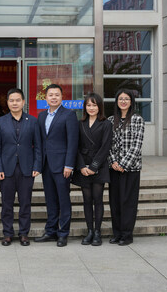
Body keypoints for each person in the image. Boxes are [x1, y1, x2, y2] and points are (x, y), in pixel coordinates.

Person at [0, 88, 42, 246]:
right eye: (11, 100)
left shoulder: (32, 121)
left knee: (25, 203)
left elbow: (38, 146)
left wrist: (37, 165)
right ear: (7, 103)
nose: (15, 103)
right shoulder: (1, 122)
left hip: (27, 168)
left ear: (23, 102)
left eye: (18, 100)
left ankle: (24, 233)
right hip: (6, 169)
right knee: (6, 203)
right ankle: (7, 233)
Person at [34, 84, 79, 247]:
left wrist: (69, 165)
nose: (53, 97)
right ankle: (51, 231)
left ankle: (63, 233)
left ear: (62, 97)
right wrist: (38, 164)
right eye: (50, 95)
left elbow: (73, 142)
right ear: (45, 98)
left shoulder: (69, 115)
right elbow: (40, 142)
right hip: (46, 165)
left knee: (63, 200)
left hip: (62, 166)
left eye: (57, 95)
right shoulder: (41, 116)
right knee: (50, 199)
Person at [71, 93, 112, 246]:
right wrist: (81, 166)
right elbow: (75, 146)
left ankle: (97, 232)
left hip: (99, 166)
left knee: (98, 199)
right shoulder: (80, 123)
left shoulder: (106, 124)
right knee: (87, 200)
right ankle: (89, 231)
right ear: (85, 107)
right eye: (88, 105)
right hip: (83, 166)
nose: (91, 108)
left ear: (99, 106)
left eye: (94, 105)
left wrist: (94, 166)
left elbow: (106, 146)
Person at [107, 89, 145, 246]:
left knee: (128, 202)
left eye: (126, 99)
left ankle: (127, 235)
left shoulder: (137, 119)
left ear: (131, 102)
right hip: (113, 168)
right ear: (116, 101)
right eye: (120, 99)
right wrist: (113, 162)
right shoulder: (110, 120)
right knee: (115, 202)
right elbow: (107, 144)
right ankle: (117, 233)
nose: (123, 101)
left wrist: (124, 164)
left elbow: (137, 145)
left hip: (131, 169)